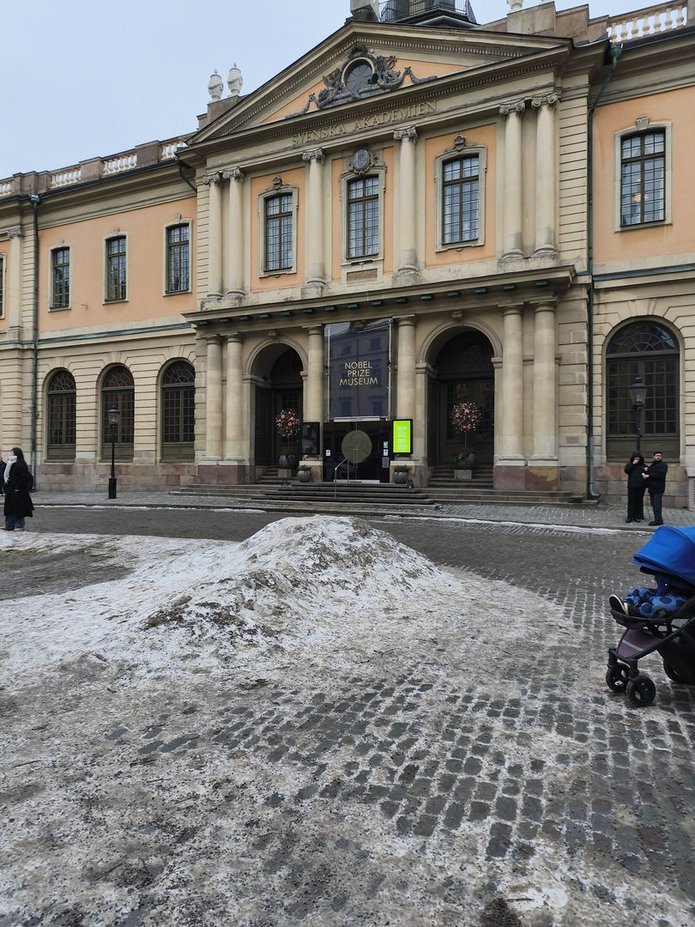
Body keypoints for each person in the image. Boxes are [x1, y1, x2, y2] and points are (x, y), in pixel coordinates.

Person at [3, 447, 34, 531]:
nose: (10, 454)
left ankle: (19, 525)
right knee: (9, 509)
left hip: (18, 491)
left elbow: (26, 477)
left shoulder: (19, 464)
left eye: (12, 453)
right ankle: (9, 525)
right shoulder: (10, 463)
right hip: (10, 490)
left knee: (18, 509)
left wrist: (18, 487)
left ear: (16, 454)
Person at [623, 452, 647, 523]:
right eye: (635, 457)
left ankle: (637, 516)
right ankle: (630, 517)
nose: (637, 459)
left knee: (638, 501)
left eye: (638, 458)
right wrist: (633, 464)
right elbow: (626, 470)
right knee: (631, 501)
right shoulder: (630, 465)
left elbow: (648, 473)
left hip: (641, 486)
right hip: (632, 486)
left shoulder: (643, 466)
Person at [646, 450, 668, 526]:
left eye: (659, 455)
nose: (658, 457)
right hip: (652, 488)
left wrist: (649, 475)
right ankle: (657, 519)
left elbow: (660, 475)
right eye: (657, 455)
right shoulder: (653, 465)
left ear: (661, 457)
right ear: (654, 456)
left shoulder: (663, 465)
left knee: (657, 504)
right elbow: (650, 471)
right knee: (653, 504)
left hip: (658, 488)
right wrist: (646, 470)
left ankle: (658, 520)